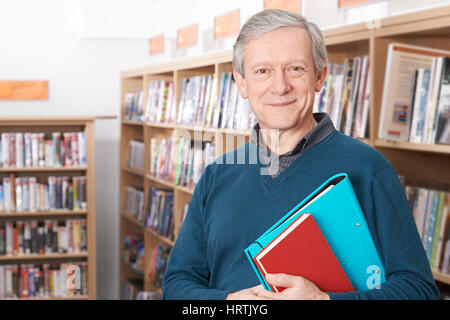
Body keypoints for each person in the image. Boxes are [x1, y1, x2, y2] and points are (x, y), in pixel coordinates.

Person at [162, 9, 439, 300]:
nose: (280, 86)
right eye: (262, 71)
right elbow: (177, 286)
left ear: (319, 77)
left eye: (295, 68)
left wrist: (324, 301)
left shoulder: (369, 169)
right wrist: (229, 302)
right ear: (241, 83)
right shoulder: (216, 176)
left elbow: (418, 291)